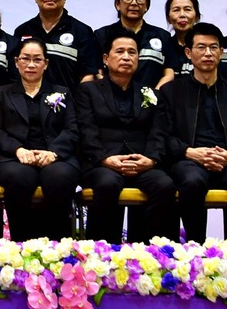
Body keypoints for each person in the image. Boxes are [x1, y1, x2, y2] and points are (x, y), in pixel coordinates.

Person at [149, 23, 227, 241]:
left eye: (214, 47)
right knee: (192, 181)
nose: (208, 53)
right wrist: (189, 152)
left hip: (226, 161)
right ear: (188, 53)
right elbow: (161, 136)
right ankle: (195, 247)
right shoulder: (171, 91)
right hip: (189, 160)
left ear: (221, 52)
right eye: (201, 47)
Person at [72, 31, 177, 242]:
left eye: (132, 52)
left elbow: (159, 130)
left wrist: (151, 159)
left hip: (141, 162)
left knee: (164, 184)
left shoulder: (150, 92)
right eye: (120, 51)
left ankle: (149, 251)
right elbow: (86, 130)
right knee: (108, 183)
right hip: (102, 163)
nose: (126, 57)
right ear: (106, 58)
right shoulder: (88, 91)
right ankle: (103, 250)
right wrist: (104, 159)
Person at [0, 38, 80, 241]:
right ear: (16, 62)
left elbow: (72, 130)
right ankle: (22, 244)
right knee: (20, 177)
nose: (30, 64)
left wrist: (53, 152)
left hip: (55, 157)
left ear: (45, 64)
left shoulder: (62, 93)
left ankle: (57, 246)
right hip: (13, 158)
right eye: (25, 59)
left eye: (37, 59)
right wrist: (18, 150)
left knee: (58, 177)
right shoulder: (2, 93)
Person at [12, 0, 99, 93]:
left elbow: (88, 76)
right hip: (28, 103)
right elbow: (15, 72)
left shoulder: (82, 31)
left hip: (68, 103)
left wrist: (74, 103)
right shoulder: (22, 31)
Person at [93, 0, 173, 93]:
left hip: (151, 99)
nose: (134, 3)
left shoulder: (163, 36)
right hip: (110, 99)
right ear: (117, 4)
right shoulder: (102, 35)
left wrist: (153, 95)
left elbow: (169, 73)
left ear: (146, 5)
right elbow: (97, 71)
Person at [161, 0, 202, 78]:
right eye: (176, 10)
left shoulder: (204, 47)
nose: (182, 15)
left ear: (197, 16)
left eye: (187, 9)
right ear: (168, 18)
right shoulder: (164, 45)